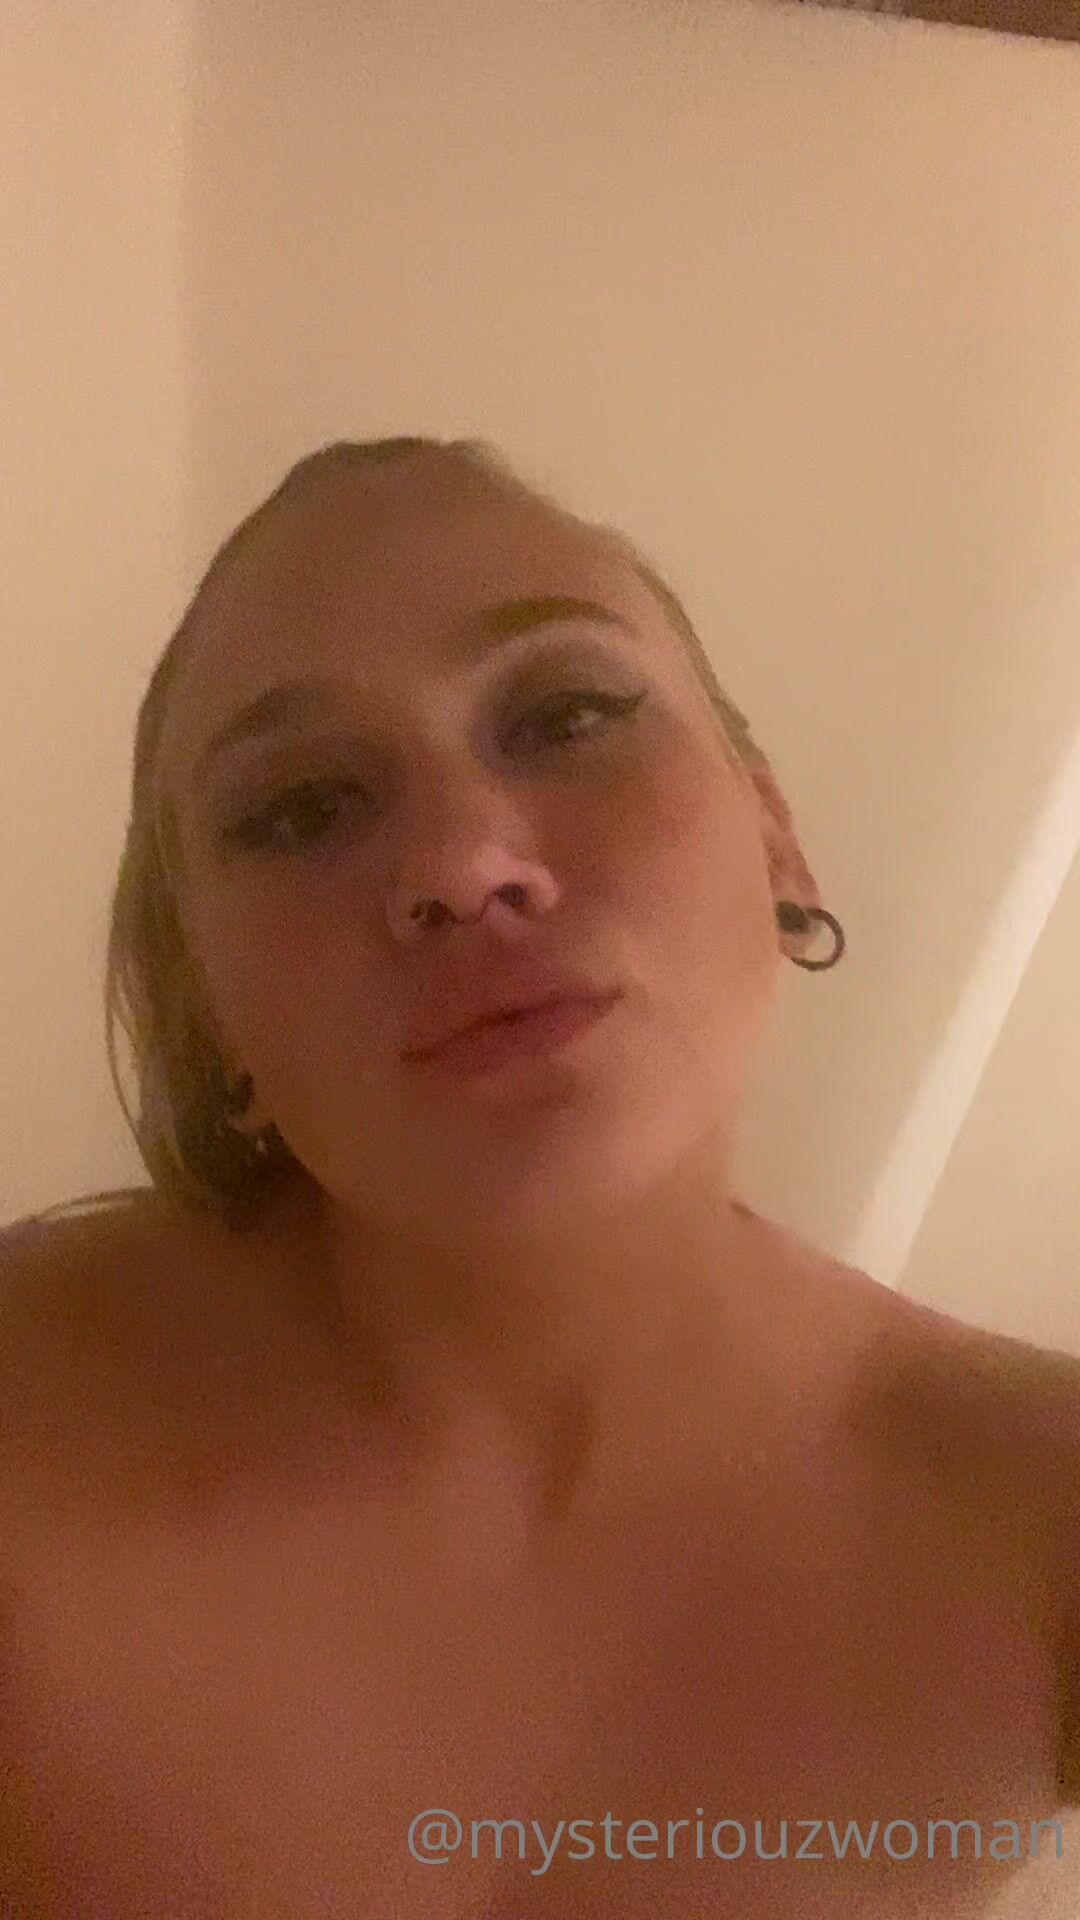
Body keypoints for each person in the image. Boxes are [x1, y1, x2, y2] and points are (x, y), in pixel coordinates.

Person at [1, 434, 1078, 1919]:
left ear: (778, 840)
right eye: (302, 809)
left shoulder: (1042, 1519)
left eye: (568, 714)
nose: (463, 860)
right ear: (214, 1018)